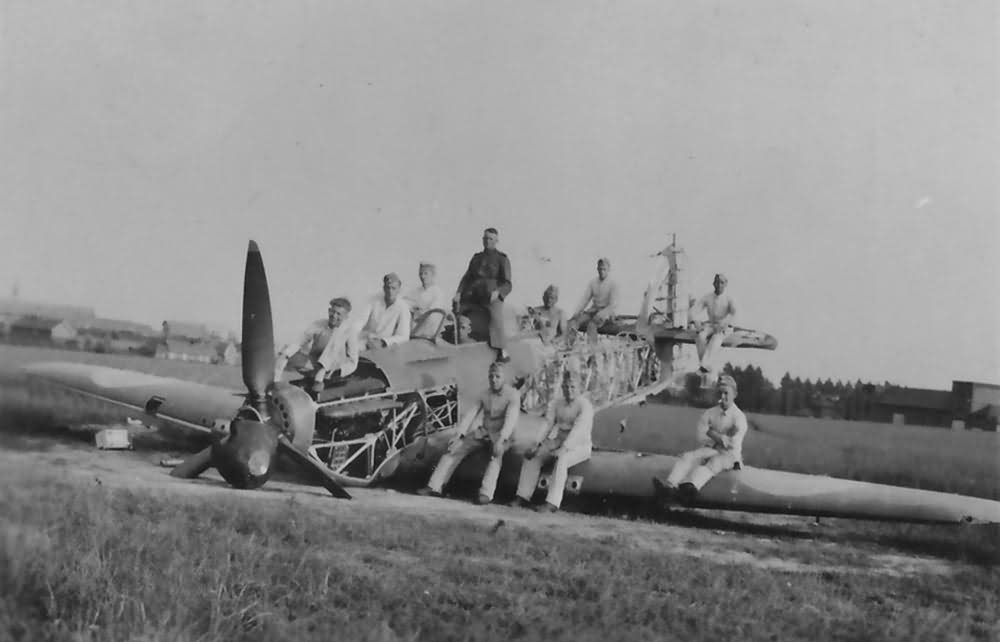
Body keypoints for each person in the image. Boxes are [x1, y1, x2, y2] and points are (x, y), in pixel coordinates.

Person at [417, 361, 521, 504]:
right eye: (491, 376)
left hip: (503, 435)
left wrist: (501, 439)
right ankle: (435, 486)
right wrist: (459, 435)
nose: (493, 380)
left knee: (496, 455)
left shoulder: (513, 395)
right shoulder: (484, 393)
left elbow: (511, 420)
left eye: (497, 376)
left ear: (505, 377)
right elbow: (470, 414)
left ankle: (486, 494)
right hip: (484, 432)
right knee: (453, 448)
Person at [652, 374, 747, 503]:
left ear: (734, 394)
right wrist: (718, 437)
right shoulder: (711, 413)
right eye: (720, 393)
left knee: (713, 463)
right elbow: (701, 435)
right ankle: (669, 487)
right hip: (712, 448)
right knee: (688, 457)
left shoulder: (739, 417)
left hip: (730, 455)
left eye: (726, 393)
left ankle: (690, 487)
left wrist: (712, 433)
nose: (722, 397)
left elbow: (731, 443)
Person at [511, 370, 593, 513]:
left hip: (580, 445)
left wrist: (565, 448)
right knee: (533, 457)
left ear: (579, 388)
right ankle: (523, 496)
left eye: (573, 387)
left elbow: (578, 431)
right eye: (566, 387)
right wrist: (537, 443)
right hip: (559, 440)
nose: (569, 390)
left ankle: (552, 503)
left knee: (562, 459)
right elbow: (547, 424)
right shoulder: (556, 403)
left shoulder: (585, 406)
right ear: (562, 387)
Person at [454, 227, 512, 361]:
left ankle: (502, 350)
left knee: (495, 315)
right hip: (473, 294)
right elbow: (467, 277)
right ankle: (457, 341)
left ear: (496, 241)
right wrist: (458, 292)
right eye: (485, 238)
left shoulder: (501, 259)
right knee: (457, 311)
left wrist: (498, 293)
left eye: (491, 239)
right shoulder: (476, 258)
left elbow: (508, 283)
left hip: (490, 296)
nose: (487, 241)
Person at [274, 297, 359, 387]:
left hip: (333, 369)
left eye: (339, 314)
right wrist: (285, 355)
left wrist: (337, 371)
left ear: (346, 317)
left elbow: (353, 362)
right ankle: (276, 383)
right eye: (332, 311)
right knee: (285, 350)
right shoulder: (319, 324)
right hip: (314, 365)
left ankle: (319, 377)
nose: (334, 316)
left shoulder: (349, 331)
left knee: (338, 334)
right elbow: (300, 341)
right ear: (329, 310)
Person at [691, 273, 736, 374]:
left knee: (716, 338)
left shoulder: (729, 298)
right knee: (700, 336)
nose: (719, 285)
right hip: (711, 324)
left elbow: (734, 313)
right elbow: (695, 310)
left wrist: (724, 323)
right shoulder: (708, 297)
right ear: (713, 284)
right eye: (717, 282)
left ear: (725, 284)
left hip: (725, 326)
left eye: (721, 283)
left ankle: (704, 364)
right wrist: (696, 321)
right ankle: (704, 365)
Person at [570, 258, 620, 339]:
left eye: (604, 269)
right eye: (600, 269)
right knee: (575, 322)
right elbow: (585, 299)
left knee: (591, 325)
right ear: (597, 269)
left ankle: (593, 350)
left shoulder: (613, 284)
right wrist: (576, 312)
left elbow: (613, 304)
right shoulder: (593, 282)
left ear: (609, 269)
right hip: (593, 310)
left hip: (606, 313)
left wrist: (601, 314)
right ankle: (569, 346)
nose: (602, 271)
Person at [360, 273, 411, 350]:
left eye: (393, 288)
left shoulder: (403, 307)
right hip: (368, 340)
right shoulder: (375, 301)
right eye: (388, 288)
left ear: (399, 289)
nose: (390, 291)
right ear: (384, 288)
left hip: (387, 346)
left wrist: (383, 342)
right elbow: (361, 321)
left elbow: (404, 336)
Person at [405, 262, 450, 336]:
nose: (423, 276)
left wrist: (417, 311)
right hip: (417, 326)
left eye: (426, 273)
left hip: (431, 329)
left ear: (433, 275)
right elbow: (406, 302)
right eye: (421, 274)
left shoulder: (437, 292)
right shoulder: (417, 291)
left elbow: (432, 312)